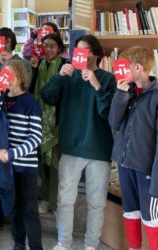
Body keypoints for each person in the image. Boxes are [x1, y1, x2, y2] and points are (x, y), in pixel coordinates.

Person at [40, 35, 116, 250]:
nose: (80, 55)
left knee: (96, 202)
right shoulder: (67, 75)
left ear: (96, 55)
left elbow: (109, 113)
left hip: (99, 148)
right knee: (65, 199)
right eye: (77, 51)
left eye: (85, 51)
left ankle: (90, 245)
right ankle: (64, 242)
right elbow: (46, 97)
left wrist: (96, 84)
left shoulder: (108, 79)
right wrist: (57, 77)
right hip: (71, 146)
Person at [0, 59, 43, 250]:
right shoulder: (1, 100)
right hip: (6, 167)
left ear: (20, 77)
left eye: (11, 75)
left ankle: (36, 247)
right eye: (4, 75)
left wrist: (13, 153)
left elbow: (36, 138)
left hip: (25, 166)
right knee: (13, 208)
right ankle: (19, 244)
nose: (7, 79)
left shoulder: (30, 103)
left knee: (30, 210)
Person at [0, 27, 33, 235]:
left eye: (6, 41)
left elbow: (27, 84)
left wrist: (11, 64)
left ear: (11, 43)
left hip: (19, 126)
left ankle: (15, 217)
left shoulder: (23, 64)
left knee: (16, 176)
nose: (2, 45)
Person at [108, 46, 158, 250]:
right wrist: (121, 95)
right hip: (126, 165)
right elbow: (114, 122)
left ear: (138, 67)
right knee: (130, 212)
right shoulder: (127, 92)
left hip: (147, 171)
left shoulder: (155, 96)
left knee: (151, 219)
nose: (119, 71)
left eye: (123, 66)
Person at [29, 33, 68, 214]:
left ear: (59, 47)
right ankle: (45, 197)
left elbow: (63, 96)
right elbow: (33, 90)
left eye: (52, 46)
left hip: (56, 123)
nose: (49, 49)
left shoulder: (64, 66)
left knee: (55, 164)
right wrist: (35, 70)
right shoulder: (41, 64)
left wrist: (60, 121)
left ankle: (56, 201)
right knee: (41, 163)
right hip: (40, 121)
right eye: (46, 46)